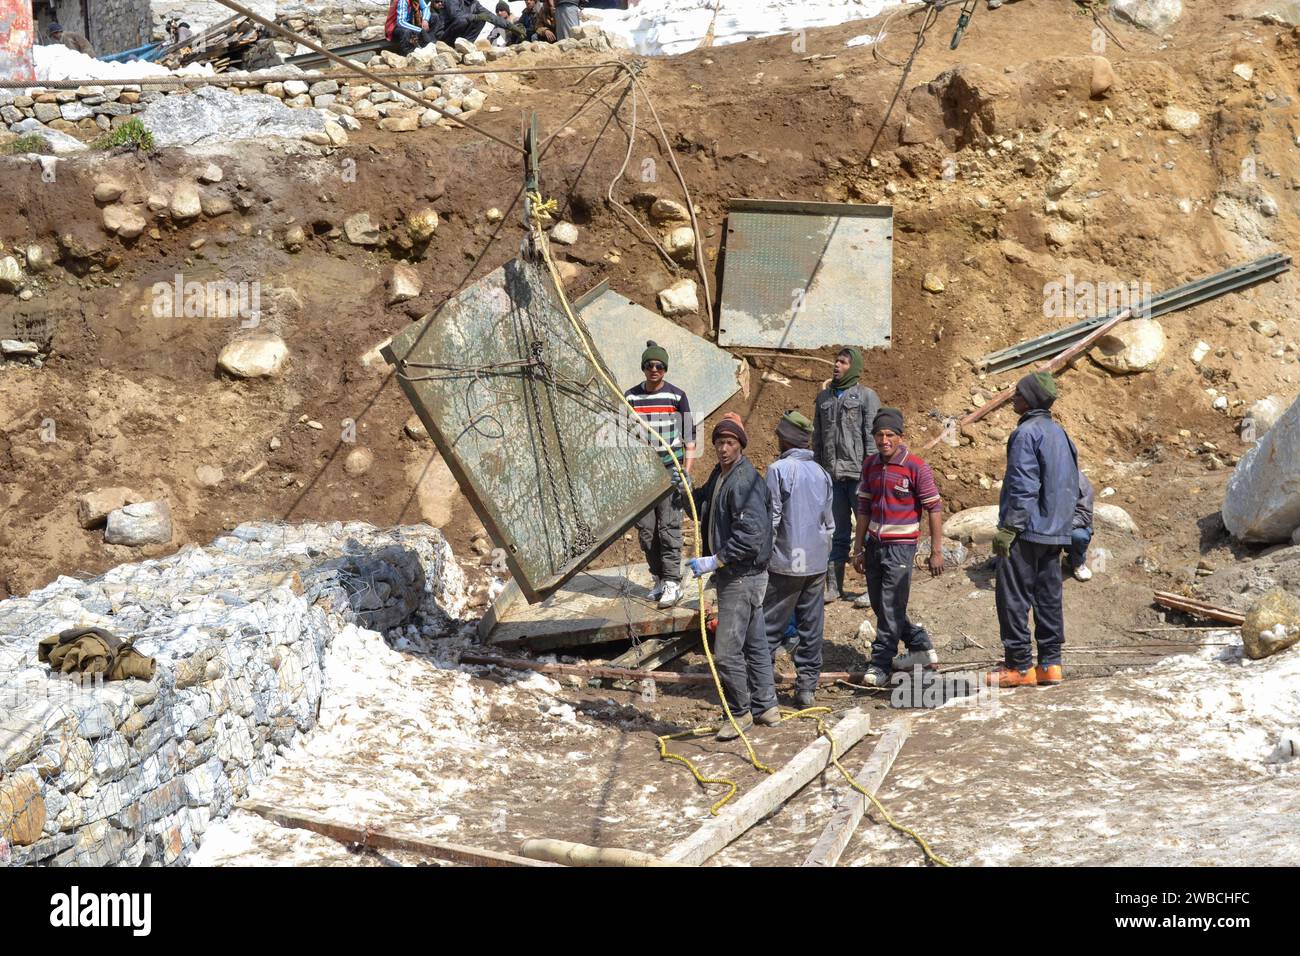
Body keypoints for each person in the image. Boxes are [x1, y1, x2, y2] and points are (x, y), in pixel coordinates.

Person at [687, 413, 778, 741]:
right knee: (755, 643)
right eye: (719, 443)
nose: (723, 448)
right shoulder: (720, 474)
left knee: (725, 652)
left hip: (742, 576)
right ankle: (767, 706)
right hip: (740, 575)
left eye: (729, 443)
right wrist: (682, 490)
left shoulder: (744, 481)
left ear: (740, 445)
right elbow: (703, 504)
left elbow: (751, 535)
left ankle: (740, 713)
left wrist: (716, 560)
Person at [990, 371, 1080, 688]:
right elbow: (1073, 485)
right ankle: (1050, 665)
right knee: (1048, 597)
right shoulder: (1061, 434)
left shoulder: (1026, 434)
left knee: (1013, 597)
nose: (1013, 397)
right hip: (1055, 532)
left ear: (1029, 400)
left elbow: (1023, 486)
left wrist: (1009, 528)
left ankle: (1019, 666)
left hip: (1026, 531)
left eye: (1018, 393)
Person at [851, 408, 944, 687]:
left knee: (891, 605)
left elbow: (934, 508)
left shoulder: (915, 466)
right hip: (874, 546)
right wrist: (858, 548)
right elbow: (864, 508)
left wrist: (936, 551)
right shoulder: (870, 465)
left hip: (901, 549)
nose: (884, 440)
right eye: (879, 435)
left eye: (890, 434)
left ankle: (880, 664)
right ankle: (919, 645)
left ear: (900, 437)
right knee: (882, 606)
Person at [762, 411, 834, 709]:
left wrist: (763, 556)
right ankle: (806, 689)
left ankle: (762, 691)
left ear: (784, 438)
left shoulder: (777, 470)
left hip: (787, 561)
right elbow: (829, 523)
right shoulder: (822, 473)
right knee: (811, 625)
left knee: (768, 627)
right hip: (815, 562)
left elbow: (772, 518)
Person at [626, 341, 696, 608]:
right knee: (646, 530)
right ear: (643, 367)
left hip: (670, 471)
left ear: (665, 369)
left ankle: (672, 582)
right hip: (643, 475)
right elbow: (624, 437)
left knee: (668, 528)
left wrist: (685, 474)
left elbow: (690, 438)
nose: (654, 369)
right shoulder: (630, 398)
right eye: (649, 365)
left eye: (659, 366)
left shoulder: (677, 396)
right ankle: (658, 578)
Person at [812, 346, 881, 604]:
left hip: (859, 477)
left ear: (853, 367)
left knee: (871, 531)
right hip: (832, 477)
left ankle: (872, 589)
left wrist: (871, 475)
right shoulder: (823, 399)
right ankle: (834, 586)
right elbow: (817, 439)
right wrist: (818, 473)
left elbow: (871, 440)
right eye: (836, 361)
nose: (836, 366)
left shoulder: (866, 397)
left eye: (842, 362)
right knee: (836, 531)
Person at [433, 0, 523, 46]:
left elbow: (491, 17)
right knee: (464, 20)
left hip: (459, 35)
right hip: (445, 35)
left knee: (483, 18)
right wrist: (475, 16)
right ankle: (451, 45)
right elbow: (456, 16)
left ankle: (466, 45)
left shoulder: (475, 4)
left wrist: (511, 26)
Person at [1064, 471, 1094, 582]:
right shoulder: (1041, 472)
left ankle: (1076, 561)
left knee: (1079, 537)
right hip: (1048, 522)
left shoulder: (1079, 479)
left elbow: (1084, 514)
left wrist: (1063, 527)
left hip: (1072, 524)